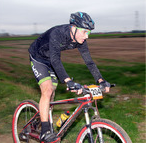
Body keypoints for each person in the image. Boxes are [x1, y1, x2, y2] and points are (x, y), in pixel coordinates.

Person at [28, 12, 110, 143]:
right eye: (84, 32)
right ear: (73, 27)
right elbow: (56, 60)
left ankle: (39, 120)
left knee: (51, 94)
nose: (86, 36)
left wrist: (100, 80)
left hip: (51, 60)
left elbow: (89, 62)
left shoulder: (80, 40)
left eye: (88, 33)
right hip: (39, 58)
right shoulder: (58, 33)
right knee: (47, 90)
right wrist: (68, 81)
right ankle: (45, 131)